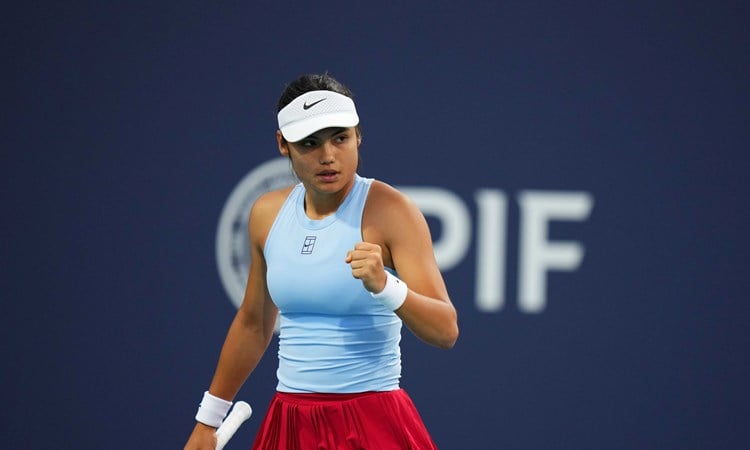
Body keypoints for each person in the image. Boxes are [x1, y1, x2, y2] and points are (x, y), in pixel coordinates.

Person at [184, 73, 459, 450]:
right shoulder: (266, 214)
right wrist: (207, 421)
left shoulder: (391, 211)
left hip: (372, 420)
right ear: (284, 144)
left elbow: (446, 331)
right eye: (309, 143)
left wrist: (387, 286)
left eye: (340, 138)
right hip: (290, 421)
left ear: (358, 135)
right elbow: (253, 323)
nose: (328, 156)